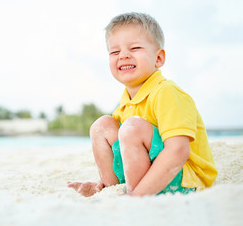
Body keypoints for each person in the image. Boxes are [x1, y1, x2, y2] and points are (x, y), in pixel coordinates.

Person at [67, 12, 218, 197]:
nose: (123, 55)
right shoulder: (125, 105)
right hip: (147, 180)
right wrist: (101, 184)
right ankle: (109, 188)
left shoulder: (167, 92)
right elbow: (122, 155)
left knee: (132, 129)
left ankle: (136, 195)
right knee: (102, 126)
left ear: (159, 58)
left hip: (187, 181)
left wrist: (136, 198)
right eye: (115, 51)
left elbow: (178, 150)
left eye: (135, 48)